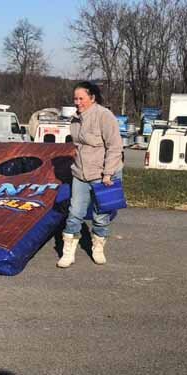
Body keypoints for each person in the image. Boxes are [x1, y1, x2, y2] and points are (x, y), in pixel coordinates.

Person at [57, 81, 123, 268]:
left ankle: (98, 248)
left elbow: (115, 146)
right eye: (75, 99)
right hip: (81, 174)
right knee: (74, 212)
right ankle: (67, 253)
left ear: (92, 98)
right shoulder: (75, 120)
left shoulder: (104, 116)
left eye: (81, 98)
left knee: (101, 214)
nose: (78, 102)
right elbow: (78, 146)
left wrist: (108, 174)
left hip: (104, 173)